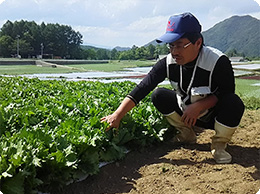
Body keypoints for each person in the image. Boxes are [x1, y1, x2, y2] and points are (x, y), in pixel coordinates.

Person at [101, 12, 244, 164]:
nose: (175, 51)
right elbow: (143, 87)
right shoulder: (168, 63)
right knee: (159, 95)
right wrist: (117, 115)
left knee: (234, 102)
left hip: (213, 117)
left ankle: (219, 145)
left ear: (198, 43)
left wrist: (200, 106)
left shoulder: (217, 61)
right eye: (171, 45)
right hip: (186, 115)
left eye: (180, 45)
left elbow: (226, 92)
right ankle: (186, 134)